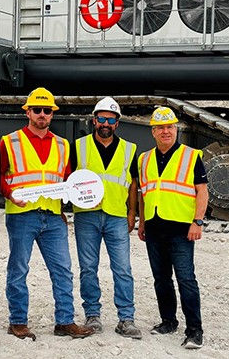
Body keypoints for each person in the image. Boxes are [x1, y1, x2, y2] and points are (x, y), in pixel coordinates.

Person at [0, 87, 94, 340]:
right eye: (37, 110)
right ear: (28, 112)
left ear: (52, 114)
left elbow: (66, 182)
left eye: (47, 111)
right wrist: (10, 195)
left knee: (63, 270)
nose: (42, 114)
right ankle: (17, 321)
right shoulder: (9, 141)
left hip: (53, 217)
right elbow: (0, 177)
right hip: (22, 216)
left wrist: (67, 205)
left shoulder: (63, 145)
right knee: (18, 269)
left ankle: (64, 321)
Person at [137, 106, 209, 350]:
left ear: (175, 129)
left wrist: (197, 221)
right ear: (153, 132)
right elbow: (144, 193)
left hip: (181, 228)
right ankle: (168, 321)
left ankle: (194, 331)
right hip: (155, 227)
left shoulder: (191, 156)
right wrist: (142, 222)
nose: (166, 131)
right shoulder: (144, 159)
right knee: (161, 279)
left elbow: (202, 191)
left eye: (170, 127)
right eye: (161, 128)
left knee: (186, 279)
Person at [71, 97, 142, 339]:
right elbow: (67, 179)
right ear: (94, 120)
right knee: (88, 268)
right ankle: (92, 315)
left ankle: (126, 319)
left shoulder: (129, 150)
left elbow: (133, 184)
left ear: (117, 123)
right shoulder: (79, 146)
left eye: (110, 119)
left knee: (122, 269)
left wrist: (132, 213)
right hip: (87, 216)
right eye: (101, 118)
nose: (105, 123)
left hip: (116, 216)